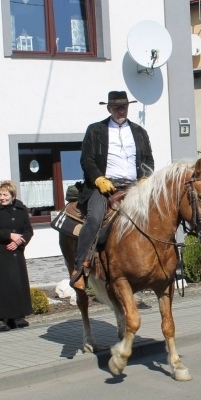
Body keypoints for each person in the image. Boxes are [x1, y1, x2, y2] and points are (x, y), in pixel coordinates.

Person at [70, 90, 154, 291]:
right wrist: (98, 178)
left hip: (134, 186)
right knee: (95, 217)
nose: (120, 110)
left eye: (123, 107)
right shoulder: (95, 130)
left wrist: (144, 178)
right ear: (109, 109)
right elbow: (86, 159)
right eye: (116, 107)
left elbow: (148, 159)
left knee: (157, 217)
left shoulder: (139, 132)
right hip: (104, 187)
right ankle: (80, 267)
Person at [0, 180, 34, 332]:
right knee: (4, 286)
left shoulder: (20, 208)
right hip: (0, 251)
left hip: (17, 252)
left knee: (18, 284)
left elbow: (28, 230)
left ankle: (16, 316)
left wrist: (19, 241)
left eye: (5, 194)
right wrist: (9, 235)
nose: (2, 197)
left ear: (12, 195)